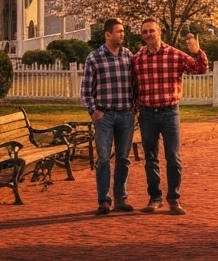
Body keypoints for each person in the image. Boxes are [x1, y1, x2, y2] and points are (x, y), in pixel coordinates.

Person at [133, 18, 208, 215]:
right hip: (147, 113)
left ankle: (173, 198)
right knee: (150, 158)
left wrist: (196, 52)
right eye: (144, 32)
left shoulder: (175, 55)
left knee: (173, 157)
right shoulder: (138, 58)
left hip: (169, 112)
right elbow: (132, 86)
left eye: (152, 31)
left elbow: (200, 69)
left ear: (159, 32)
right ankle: (155, 198)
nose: (148, 35)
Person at [80, 18, 137, 215]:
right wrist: (94, 111)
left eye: (123, 31)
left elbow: (134, 85)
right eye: (118, 31)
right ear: (107, 34)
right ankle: (104, 200)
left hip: (125, 115)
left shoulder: (128, 56)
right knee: (103, 159)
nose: (122, 34)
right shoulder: (94, 58)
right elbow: (86, 90)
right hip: (104, 116)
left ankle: (121, 198)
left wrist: (134, 109)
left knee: (123, 158)